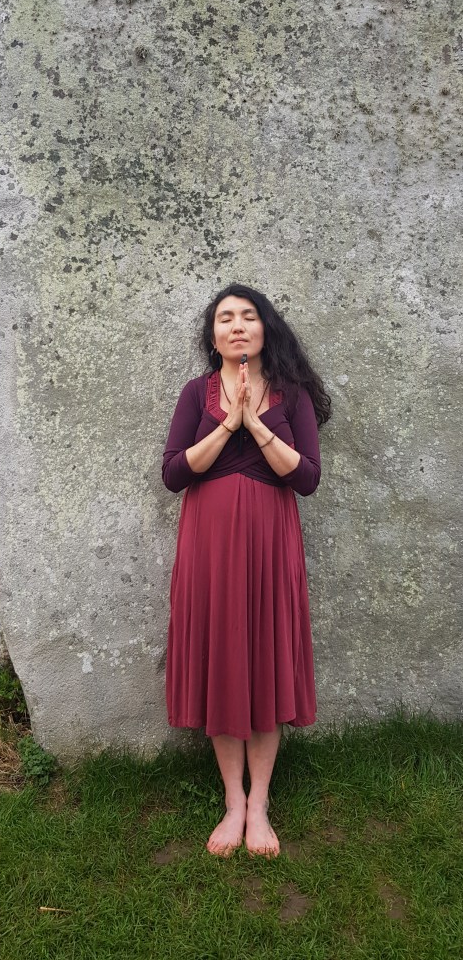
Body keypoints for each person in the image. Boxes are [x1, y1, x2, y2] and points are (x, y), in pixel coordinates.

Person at [162, 283, 331, 858]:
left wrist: (255, 424)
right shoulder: (196, 393)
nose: (237, 325)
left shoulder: (292, 394)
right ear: (213, 336)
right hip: (208, 545)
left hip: (269, 543)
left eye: (248, 316)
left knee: (264, 658)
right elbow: (174, 474)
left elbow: (306, 478)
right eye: (225, 318)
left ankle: (259, 804)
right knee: (223, 657)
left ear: (266, 329)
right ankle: (233, 801)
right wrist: (226, 423)